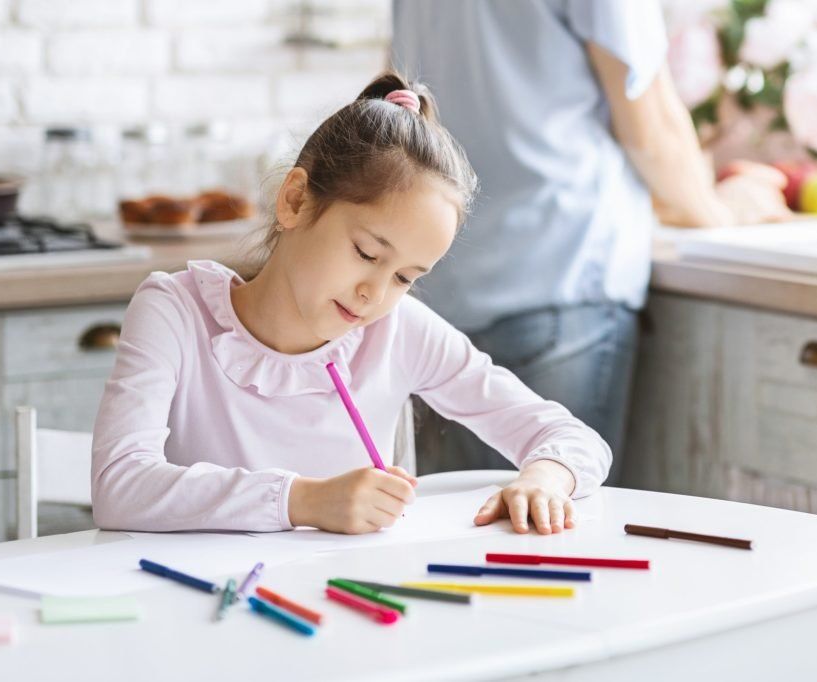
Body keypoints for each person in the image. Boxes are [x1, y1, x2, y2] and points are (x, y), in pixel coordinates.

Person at [90, 72, 612, 537]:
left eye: (406, 277)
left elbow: (572, 439)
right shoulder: (174, 312)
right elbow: (120, 485)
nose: (375, 294)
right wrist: (303, 501)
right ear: (295, 200)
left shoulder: (400, 331)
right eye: (366, 253)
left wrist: (546, 478)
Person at [391, 0, 790, 483]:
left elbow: (403, 93)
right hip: (560, 271)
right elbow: (649, 119)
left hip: (444, 281)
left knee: (460, 533)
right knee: (547, 532)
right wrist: (721, 211)